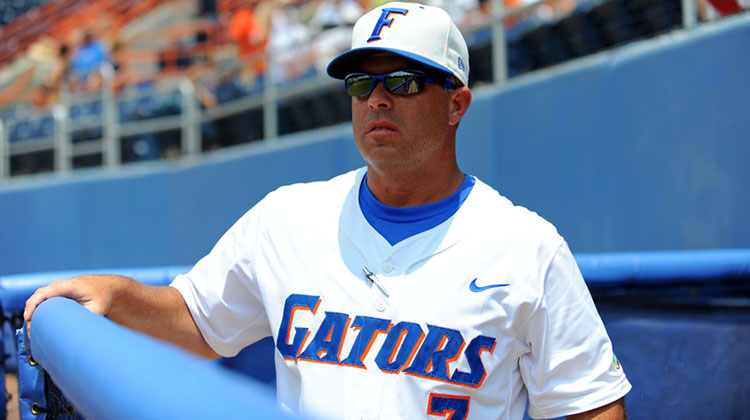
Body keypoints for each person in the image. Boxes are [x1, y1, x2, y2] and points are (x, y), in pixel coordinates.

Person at [25, 3, 630, 419]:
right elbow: (200, 321)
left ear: (456, 105)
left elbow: (590, 406)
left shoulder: (527, 247)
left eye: (403, 82)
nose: (377, 99)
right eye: (361, 85)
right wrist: (118, 294)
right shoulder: (287, 218)